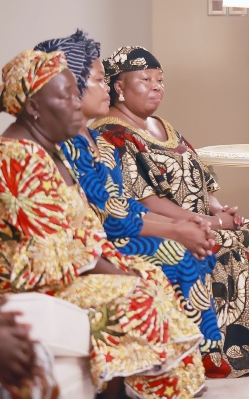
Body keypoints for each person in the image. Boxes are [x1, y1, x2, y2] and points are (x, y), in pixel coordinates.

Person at [0, 50, 206, 398]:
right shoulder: (19, 157)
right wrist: (115, 271)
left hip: (69, 268)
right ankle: (145, 390)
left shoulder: (50, 149)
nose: (75, 104)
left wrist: (119, 265)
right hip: (36, 282)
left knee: (149, 276)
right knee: (137, 294)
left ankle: (156, 387)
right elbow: (47, 253)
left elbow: (84, 227)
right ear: (34, 107)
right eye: (65, 96)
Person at [91, 46, 249, 377]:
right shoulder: (111, 134)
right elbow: (146, 200)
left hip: (200, 216)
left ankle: (248, 345)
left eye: (160, 79)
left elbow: (198, 176)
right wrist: (210, 222)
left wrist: (220, 208)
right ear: (119, 86)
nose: (156, 86)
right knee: (221, 241)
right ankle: (211, 352)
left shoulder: (161, 125)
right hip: (160, 224)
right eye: (146, 79)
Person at [35, 30, 222, 354]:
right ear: (70, 87)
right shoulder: (68, 146)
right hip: (95, 245)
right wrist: (176, 230)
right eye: (98, 80)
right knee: (178, 255)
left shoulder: (97, 142)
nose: (107, 87)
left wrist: (184, 224)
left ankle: (195, 356)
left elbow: (125, 204)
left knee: (192, 249)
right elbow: (110, 218)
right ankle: (176, 359)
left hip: (114, 234)